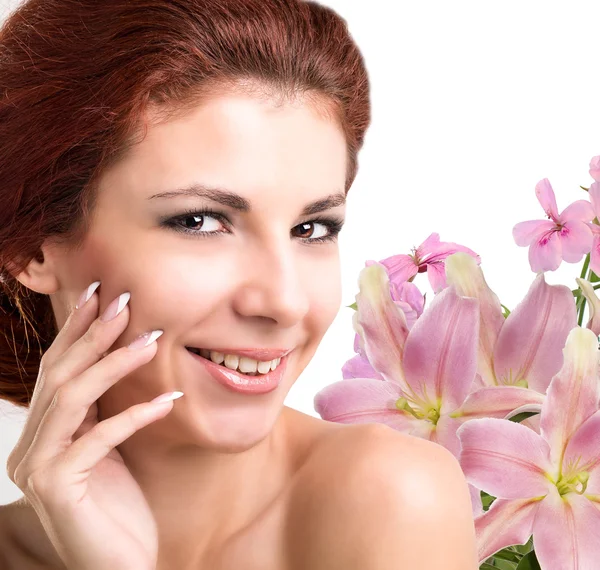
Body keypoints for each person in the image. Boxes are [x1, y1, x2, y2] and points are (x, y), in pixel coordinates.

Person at [0, 0, 478, 568]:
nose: (284, 300)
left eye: (312, 228)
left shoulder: (391, 499)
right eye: (199, 221)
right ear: (30, 248)